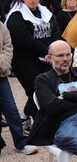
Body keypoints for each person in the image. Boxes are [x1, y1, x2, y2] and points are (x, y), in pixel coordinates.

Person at [28, 40, 77, 160]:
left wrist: (66, 96)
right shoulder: (42, 79)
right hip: (63, 124)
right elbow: (51, 106)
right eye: (60, 55)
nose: (66, 59)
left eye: (68, 54)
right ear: (49, 58)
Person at [5, 0, 60, 124]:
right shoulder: (17, 15)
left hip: (46, 57)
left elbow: (55, 29)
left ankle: (24, 117)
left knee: (48, 88)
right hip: (24, 59)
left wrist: (53, 49)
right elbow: (23, 39)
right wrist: (48, 51)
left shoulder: (45, 11)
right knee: (35, 90)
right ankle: (40, 124)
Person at [0, 21, 39, 155]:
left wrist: (2, 63)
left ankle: (21, 143)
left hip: (1, 75)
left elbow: (8, 46)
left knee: (11, 110)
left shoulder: (1, 26)